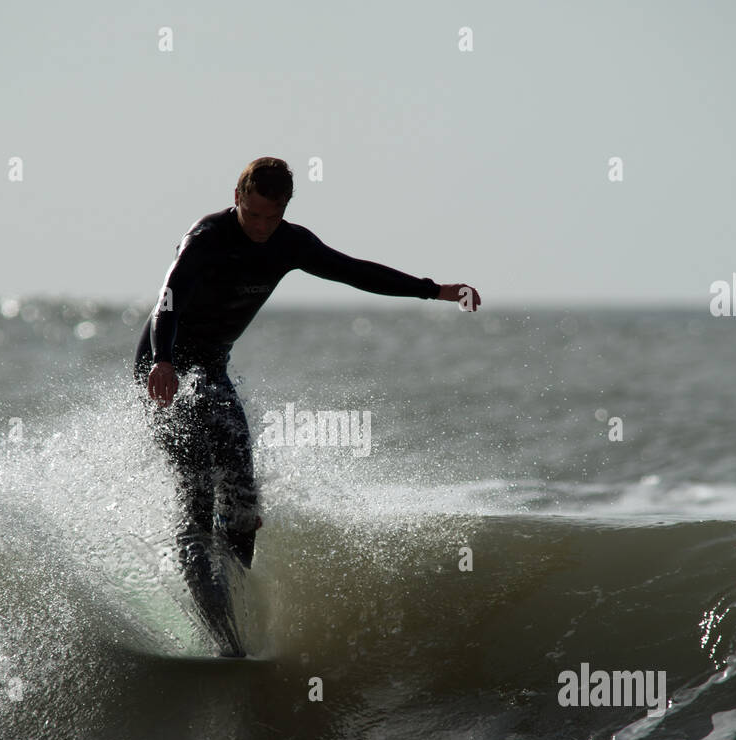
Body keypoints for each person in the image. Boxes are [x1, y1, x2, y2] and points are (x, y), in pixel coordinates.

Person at [133, 157, 481, 656]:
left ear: (283, 212)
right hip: (161, 366)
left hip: (210, 369)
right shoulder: (206, 238)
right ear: (238, 198)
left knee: (243, 502)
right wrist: (163, 362)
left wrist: (435, 291)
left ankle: (233, 603)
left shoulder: (290, 243)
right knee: (198, 497)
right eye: (250, 214)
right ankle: (221, 637)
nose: (258, 227)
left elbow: (354, 271)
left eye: (268, 218)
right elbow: (168, 300)